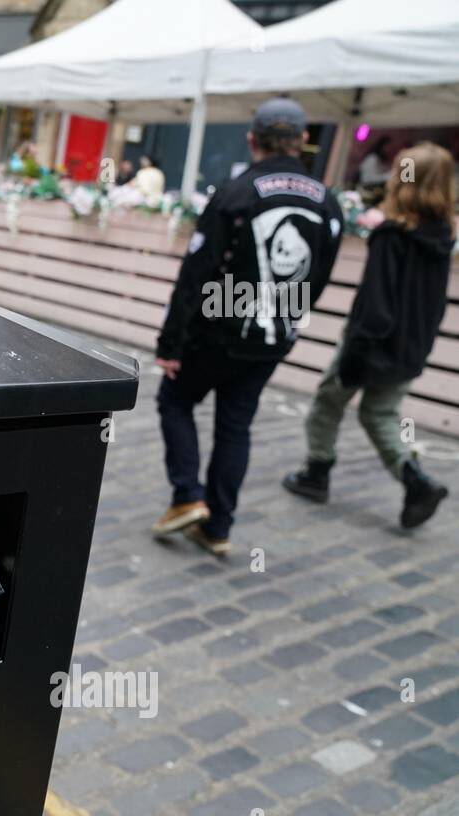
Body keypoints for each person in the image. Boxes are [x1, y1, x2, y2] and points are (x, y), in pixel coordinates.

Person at [152, 98, 344, 555]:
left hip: (219, 329)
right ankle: (218, 527)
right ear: (301, 142)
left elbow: (197, 271)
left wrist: (171, 342)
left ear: (252, 140)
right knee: (235, 426)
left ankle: (187, 496)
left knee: (174, 398)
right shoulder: (329, 202)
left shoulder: (238, 191)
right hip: (273, 334)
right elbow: (318, 279)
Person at [283, 142, 454, 529]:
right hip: (410, 348)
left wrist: (354, 357)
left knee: (329, 401)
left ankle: (317, 471)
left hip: (371, 343)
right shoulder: (441, 238)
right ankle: (416, 481)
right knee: (379, 413)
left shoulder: (392, 236)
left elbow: (375, 306)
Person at [357, 135, 391, 205]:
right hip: (367, 194)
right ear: (382, 146)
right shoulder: (372, 159)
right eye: (388, 147)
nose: (389, 150)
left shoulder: (381, 160)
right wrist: (388, 176)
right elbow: (367, 179)